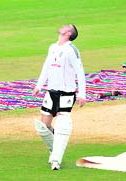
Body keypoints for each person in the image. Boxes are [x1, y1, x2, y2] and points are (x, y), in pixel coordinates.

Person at [32, 24, 86, 170]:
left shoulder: (71, 50)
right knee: (44, 127)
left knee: (62, 125)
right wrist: (39, 85)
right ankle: (54, 149)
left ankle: (56, 160)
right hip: (51, 92)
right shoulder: (53, 47)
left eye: (67, 26)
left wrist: (82, 94)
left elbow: (80, 72)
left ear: (68, 33)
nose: (63, 26)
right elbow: (46, 66)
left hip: (66, 93)